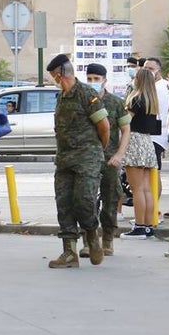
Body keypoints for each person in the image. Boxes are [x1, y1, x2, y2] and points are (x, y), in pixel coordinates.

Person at [45, 54, 109, 268]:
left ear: (60, 73)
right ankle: (69, 253)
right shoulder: (61, 96)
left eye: (54, 74)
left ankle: (92, 234)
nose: (53, 78)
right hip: (64, 159)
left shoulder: (86, 93)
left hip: (86, 158)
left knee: (84, 201)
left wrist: (98, 149)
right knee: (64, 204)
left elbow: (104, 126)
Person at [81, 64, 130, 257]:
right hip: (87, 159)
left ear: (104, 80)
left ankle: (108, 240)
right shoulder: (83, 101)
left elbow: (126, 130)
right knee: (86, 200)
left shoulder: (115, 103)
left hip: (110, 160)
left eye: (96, 78)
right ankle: (89, 241)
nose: (92, 82)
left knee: (110, 199)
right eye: (89, 78)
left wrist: (119, 155)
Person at [120, 66, 162, 239]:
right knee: (146, 189)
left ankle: (138, 226)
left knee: (136, 189)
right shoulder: (152, 99)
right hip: (147, 142)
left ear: (138, 79)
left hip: (134, 141)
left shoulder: (136, 99)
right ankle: (147, 227)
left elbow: (125, 121)